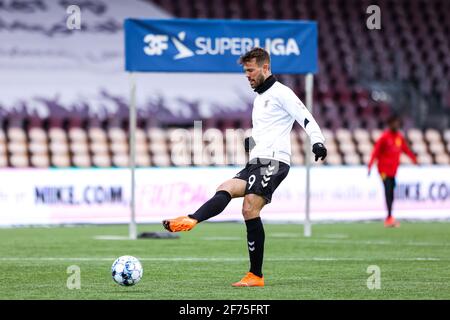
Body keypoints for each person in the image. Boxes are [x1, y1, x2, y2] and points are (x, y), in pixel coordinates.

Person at [162, 47, 327, 287]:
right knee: (226, 187)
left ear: (265, 68)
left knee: (250, 208)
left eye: (250, 71)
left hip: (274, 161)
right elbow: (268, 128)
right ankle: (192, 219)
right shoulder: (260, 98)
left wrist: (318, 141)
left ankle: (255, 275)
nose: (247, 76)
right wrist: (254, 142)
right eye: (245, 72)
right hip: (257, 160)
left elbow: (305, 117)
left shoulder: (282, 93)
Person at [368, 114, 418, 228]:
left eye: (397, 122)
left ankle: (390, 217)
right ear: (390, 124)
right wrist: (370, 165)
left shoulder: (399, 137)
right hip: (383, 170)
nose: (396, 125)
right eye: (394, 122)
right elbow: (375, 152)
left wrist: (414, 160)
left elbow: (405, 149)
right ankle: (389, 218)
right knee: (388, 191)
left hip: (393, 171)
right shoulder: (384, 137)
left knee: (391, 192)